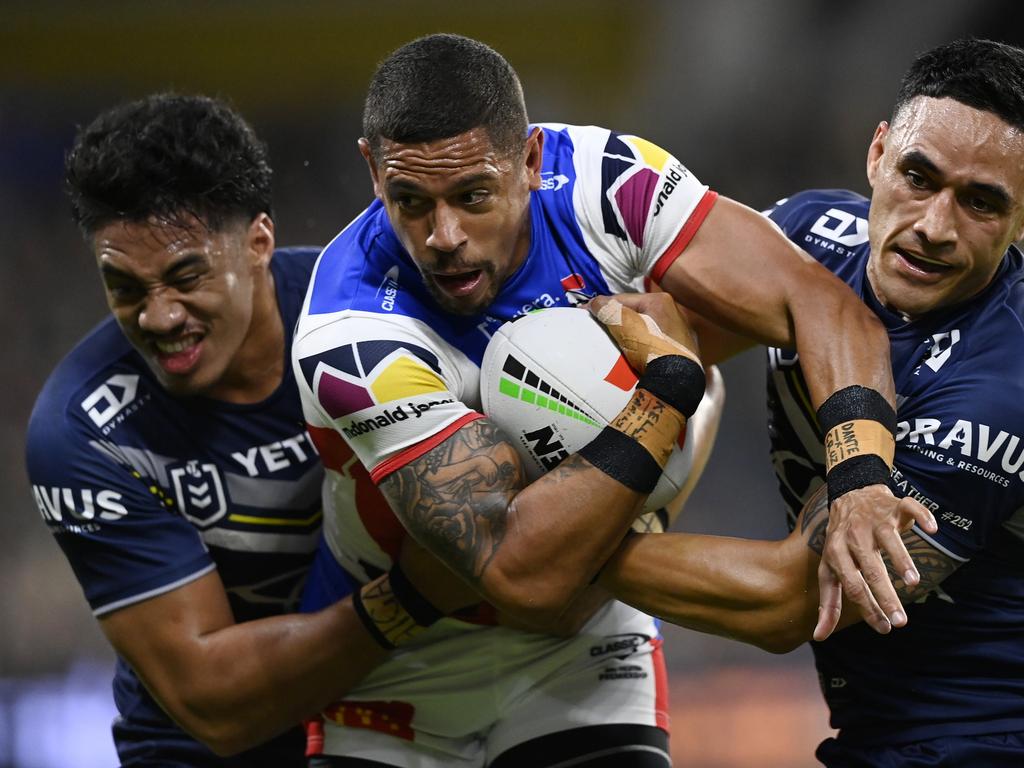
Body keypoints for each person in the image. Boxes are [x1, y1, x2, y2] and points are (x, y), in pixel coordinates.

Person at [292, 33, 925, 767]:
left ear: (529, 161)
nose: (444, 237)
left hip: (587, 657)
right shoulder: (352, 336)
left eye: (473, 196)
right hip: (401, 673)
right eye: (410, 203)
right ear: (372, 170)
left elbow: (821, 303)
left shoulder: (605, 180)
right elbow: (526, 579)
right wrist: (675, 390)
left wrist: (860, 479)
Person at [595, 38, 1024, 766]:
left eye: (981, 203)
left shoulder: (1004, 380)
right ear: (878, 154)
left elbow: (784, 598)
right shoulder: (806, 237)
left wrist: (531, 552)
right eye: (919, 177)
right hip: (874, 737)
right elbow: (654, 341)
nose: (934, 226)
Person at [24, 94, 470, 766]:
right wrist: (414, 594)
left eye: (186, 276)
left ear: (259, 241)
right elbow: (214, 706)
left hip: (408, 722)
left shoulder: (373, 317)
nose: (159, 317)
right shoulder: (86, 432)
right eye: (125, 288)